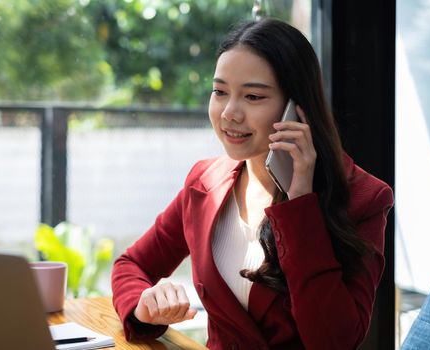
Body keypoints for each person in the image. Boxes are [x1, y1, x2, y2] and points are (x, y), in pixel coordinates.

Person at [111, 18, 394, 349]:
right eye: (220, 92)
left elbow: (334, 341)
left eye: (253, 97)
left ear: (296, 109)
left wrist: (299, 202)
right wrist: (144, 303)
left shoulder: (364, 198)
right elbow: (131, 265)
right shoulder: (204, 182)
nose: (230, 112)